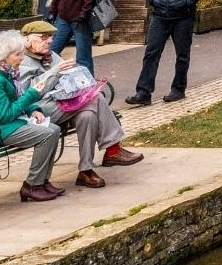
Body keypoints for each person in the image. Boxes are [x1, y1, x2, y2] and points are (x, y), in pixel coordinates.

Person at [16, 21, 141, 183]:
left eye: (51, 37)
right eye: (43, 37)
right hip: (38, 111)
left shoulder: (50, 55)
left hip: (62, 104)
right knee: (95, 98)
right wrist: (55, 73)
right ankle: (113, 149)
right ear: (27, 40)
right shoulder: (22, 60)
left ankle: (86, 170)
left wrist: (74, 76)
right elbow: (27, 94)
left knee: (88, 115)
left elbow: (64, 79)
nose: (49, 41)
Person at [0, 31, 66, 202]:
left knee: (54, 129)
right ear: (4, 56)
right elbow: (5, 115)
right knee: (47, 135)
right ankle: (32, 185)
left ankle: (43, 181)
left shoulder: (5, 72)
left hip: (5, 124)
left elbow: (18, 95)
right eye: (18, 54)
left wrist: (33, 109)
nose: (22, 58)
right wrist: (32, 95)